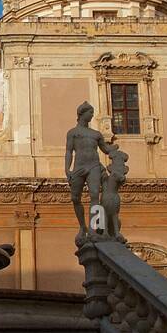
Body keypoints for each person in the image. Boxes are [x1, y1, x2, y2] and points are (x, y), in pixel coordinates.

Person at [65, 102, 113, 238]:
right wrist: (67, 169)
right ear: (82, 113)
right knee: (75, 198)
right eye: (90, 113)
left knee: (94, 196)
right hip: (79, 167)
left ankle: (93, 229)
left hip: (94, 166)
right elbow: (68, 151)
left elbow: (105, 149)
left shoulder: (96, 134)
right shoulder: (73, 133)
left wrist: (116, 151)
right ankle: (82, 226)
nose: (92, 115)